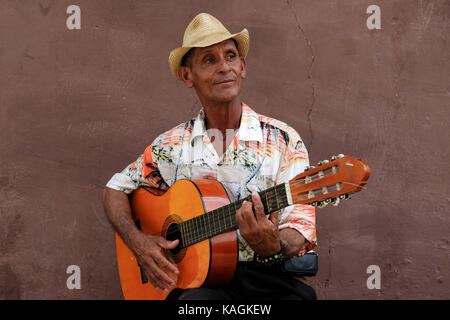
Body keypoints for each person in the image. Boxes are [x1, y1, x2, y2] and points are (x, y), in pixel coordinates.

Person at [103, 13, 317, 300]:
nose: (224, 67)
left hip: (267, 279)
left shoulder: (282, 139)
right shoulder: (171, 145)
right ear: (187, 75)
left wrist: (271, 245)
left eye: (230, 56)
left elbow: (299, 228)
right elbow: (115, 189)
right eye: (209, 60)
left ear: (243, 67)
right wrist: (138, 242)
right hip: (197, 282)